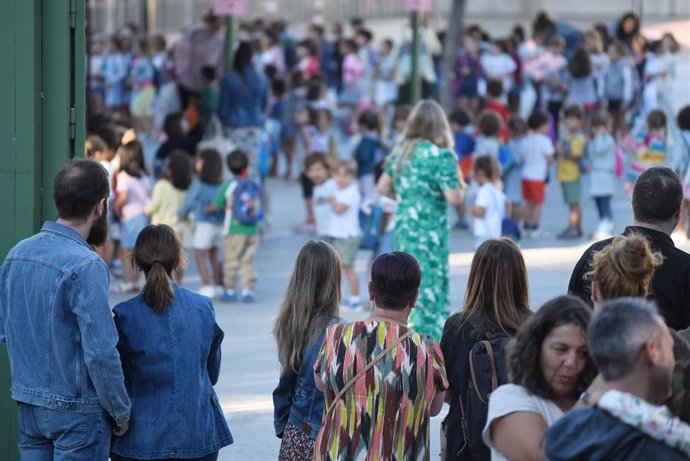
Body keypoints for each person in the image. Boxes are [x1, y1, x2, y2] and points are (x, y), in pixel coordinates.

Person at [0, 159, 131, 457]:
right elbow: (101, 352)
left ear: (58, 200)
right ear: (100, 207)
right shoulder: (86, 265)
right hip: (78, 414)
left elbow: (7, 330)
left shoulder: (16, 255)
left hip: (29, 406)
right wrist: (120, 411)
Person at [110, 225, 232, 461]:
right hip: (197, 434)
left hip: (138, 439)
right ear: (178, 261)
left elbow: (116, 377)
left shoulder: (124, 315)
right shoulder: (203, 308)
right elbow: (211, 374)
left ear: (136, 263)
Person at [313, 252, 448, 460]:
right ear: (414, 298)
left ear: (370, 291)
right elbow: (434, 409)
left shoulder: (337, 336)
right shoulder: (427, 349)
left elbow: (321, 384)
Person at [545, 298, 690, 460]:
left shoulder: (562, 433)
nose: (673, 362)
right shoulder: (662, 448)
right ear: (652, 352)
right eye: (669, 348)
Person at [377, 100, 463, 339]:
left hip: (406, 228)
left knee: (406, 282)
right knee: (431, 288)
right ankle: (428, 345)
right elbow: (453, 197)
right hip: (432, 233)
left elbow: (382, 187)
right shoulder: (442, 156)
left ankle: (405, 338)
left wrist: (407, 196)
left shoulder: (403, 152)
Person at [440, 238, 532, 461]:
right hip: (522, 441)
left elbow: (446, 390)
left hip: (466, 444)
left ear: (476, 276)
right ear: (520, 277)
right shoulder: (536, 326)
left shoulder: (457, 326)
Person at [569, 167, 690, 330]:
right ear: (678, 214)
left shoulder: (596, 254)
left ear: (633, 205)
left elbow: (570, 318)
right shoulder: (685, 268)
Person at [483, 296, 596, 461]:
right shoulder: (510, 398)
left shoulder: (594, 400)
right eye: (560, 349)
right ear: (536, 348)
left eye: (583, 353)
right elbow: (548, 456)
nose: (571, 362)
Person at [272, 241, 342, 459]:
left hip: (296, 430)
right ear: (334, 281)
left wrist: (284, 424)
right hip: (326, 434)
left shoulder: (287, 323)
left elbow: (286, 381)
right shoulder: (339, 331)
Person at [212, 149, 262, 303]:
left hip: (234, 229)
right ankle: (248, 291)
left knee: (231, 260)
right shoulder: (253, 184)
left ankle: (231, 290)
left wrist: (206, 208)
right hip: (253, 229)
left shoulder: (229, 185)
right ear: (246, 167)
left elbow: (217, 205)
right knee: (248, 260)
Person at [179, 149, 225, 299]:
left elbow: (189, 201)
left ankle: (206, 284)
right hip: (219, 223)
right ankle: (218, 285)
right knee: (214, 254)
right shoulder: (221, 184)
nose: (196, 163)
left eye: (199, 160)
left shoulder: (199, 183)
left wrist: (182, 214)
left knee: (199, 254)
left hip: (204, 222)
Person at [218, 41, 268, 176]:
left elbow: (223, 108)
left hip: (234, 125)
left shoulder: (229, 79)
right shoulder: (261, 78)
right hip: (255, 125)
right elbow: (264, 105)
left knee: (232, 165)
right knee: (252, 165)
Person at [144, 151, 193, 283]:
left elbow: (153, 206)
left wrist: (146, 207)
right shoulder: (188, 188)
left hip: (164, 230)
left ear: (170, 170)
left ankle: (166, 284)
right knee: (179, 259)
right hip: (182, 228)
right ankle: (179, 283)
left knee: (163, 259)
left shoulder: (161, 186)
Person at [113, 140, 153, 294]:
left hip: (130, 216)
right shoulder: (144, 174)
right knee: (139, 251)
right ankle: (136, 281)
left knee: (126, 251)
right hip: (143, 216)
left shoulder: (123, 176)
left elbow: (123, 196)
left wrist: (116, 206)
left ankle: (128, 282)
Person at [328, 160, 363, 311]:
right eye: (338, 175)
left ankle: (355, 300)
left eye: (346, 175)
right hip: (340, 234)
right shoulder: (340, 190)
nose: (341, 178)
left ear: (353, 177)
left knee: (348, 268)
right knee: (340, 268)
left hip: (348, 235)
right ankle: (345, 298)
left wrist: (332, 201)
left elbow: (338, 209)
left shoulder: (351, 192)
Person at [173, 9, 225, 108]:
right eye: (217, 21)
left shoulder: (222, 40)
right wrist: (180, 71)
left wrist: (216, 80)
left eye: (222, 22)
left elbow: (221, 63)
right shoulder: (195, 33)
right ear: (211, 20)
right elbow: (182, 54)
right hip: (188, 82)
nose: (219, 25)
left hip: (207, 86)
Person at [521, 110, 555, 237]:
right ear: (542, 126)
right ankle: (535, 227)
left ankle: (525, 226)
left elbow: (522, 157)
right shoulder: (544, 140)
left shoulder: (526, 140)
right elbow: (550, 158)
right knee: (537, 204)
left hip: (526, 175)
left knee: (529, 203)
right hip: (538, 176)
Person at [555, 104, 586, 239]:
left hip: (572, 175)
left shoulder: (578, 138)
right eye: (567, 119)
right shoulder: (568, 135)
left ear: (580, 120)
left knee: (574, 203)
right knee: (572, 203)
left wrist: (563, 152)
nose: (569, 122)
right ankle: (576, 227)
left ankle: (573, 227)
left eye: (573, 119)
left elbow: (577, 155)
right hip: (565, 174)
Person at [587, 112, 617, 239]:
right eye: (595, 127)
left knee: (605, 202)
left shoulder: (607, 140)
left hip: (604, 174)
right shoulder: (595, 140)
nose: (597, 130)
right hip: (596, 175)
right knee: (598, 203)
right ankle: (602, 226)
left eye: (599, 127)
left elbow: (599, 150)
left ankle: (607, 228)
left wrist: (598, 136)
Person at [471, 156, 509, 248]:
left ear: (479, 173)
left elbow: (480, 211)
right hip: (497, 231)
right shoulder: (496, 189)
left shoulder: (483, 191)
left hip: (484, 234)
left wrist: (472, 210)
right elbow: (508, 204)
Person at [353, 110, 384, 203]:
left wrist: (356, 154)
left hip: (365, 171)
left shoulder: (367, 140)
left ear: (364, 126)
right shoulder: (376, 138)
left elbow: (364, 156)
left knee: (366, 199)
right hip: (371, 172)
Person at [305, 153, 337, 240]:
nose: (315, 174)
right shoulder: (316, 187)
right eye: (311, 171)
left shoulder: (332, 185)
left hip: (333, 231)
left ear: (328, 169)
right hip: (322, 230)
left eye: (318, 169)